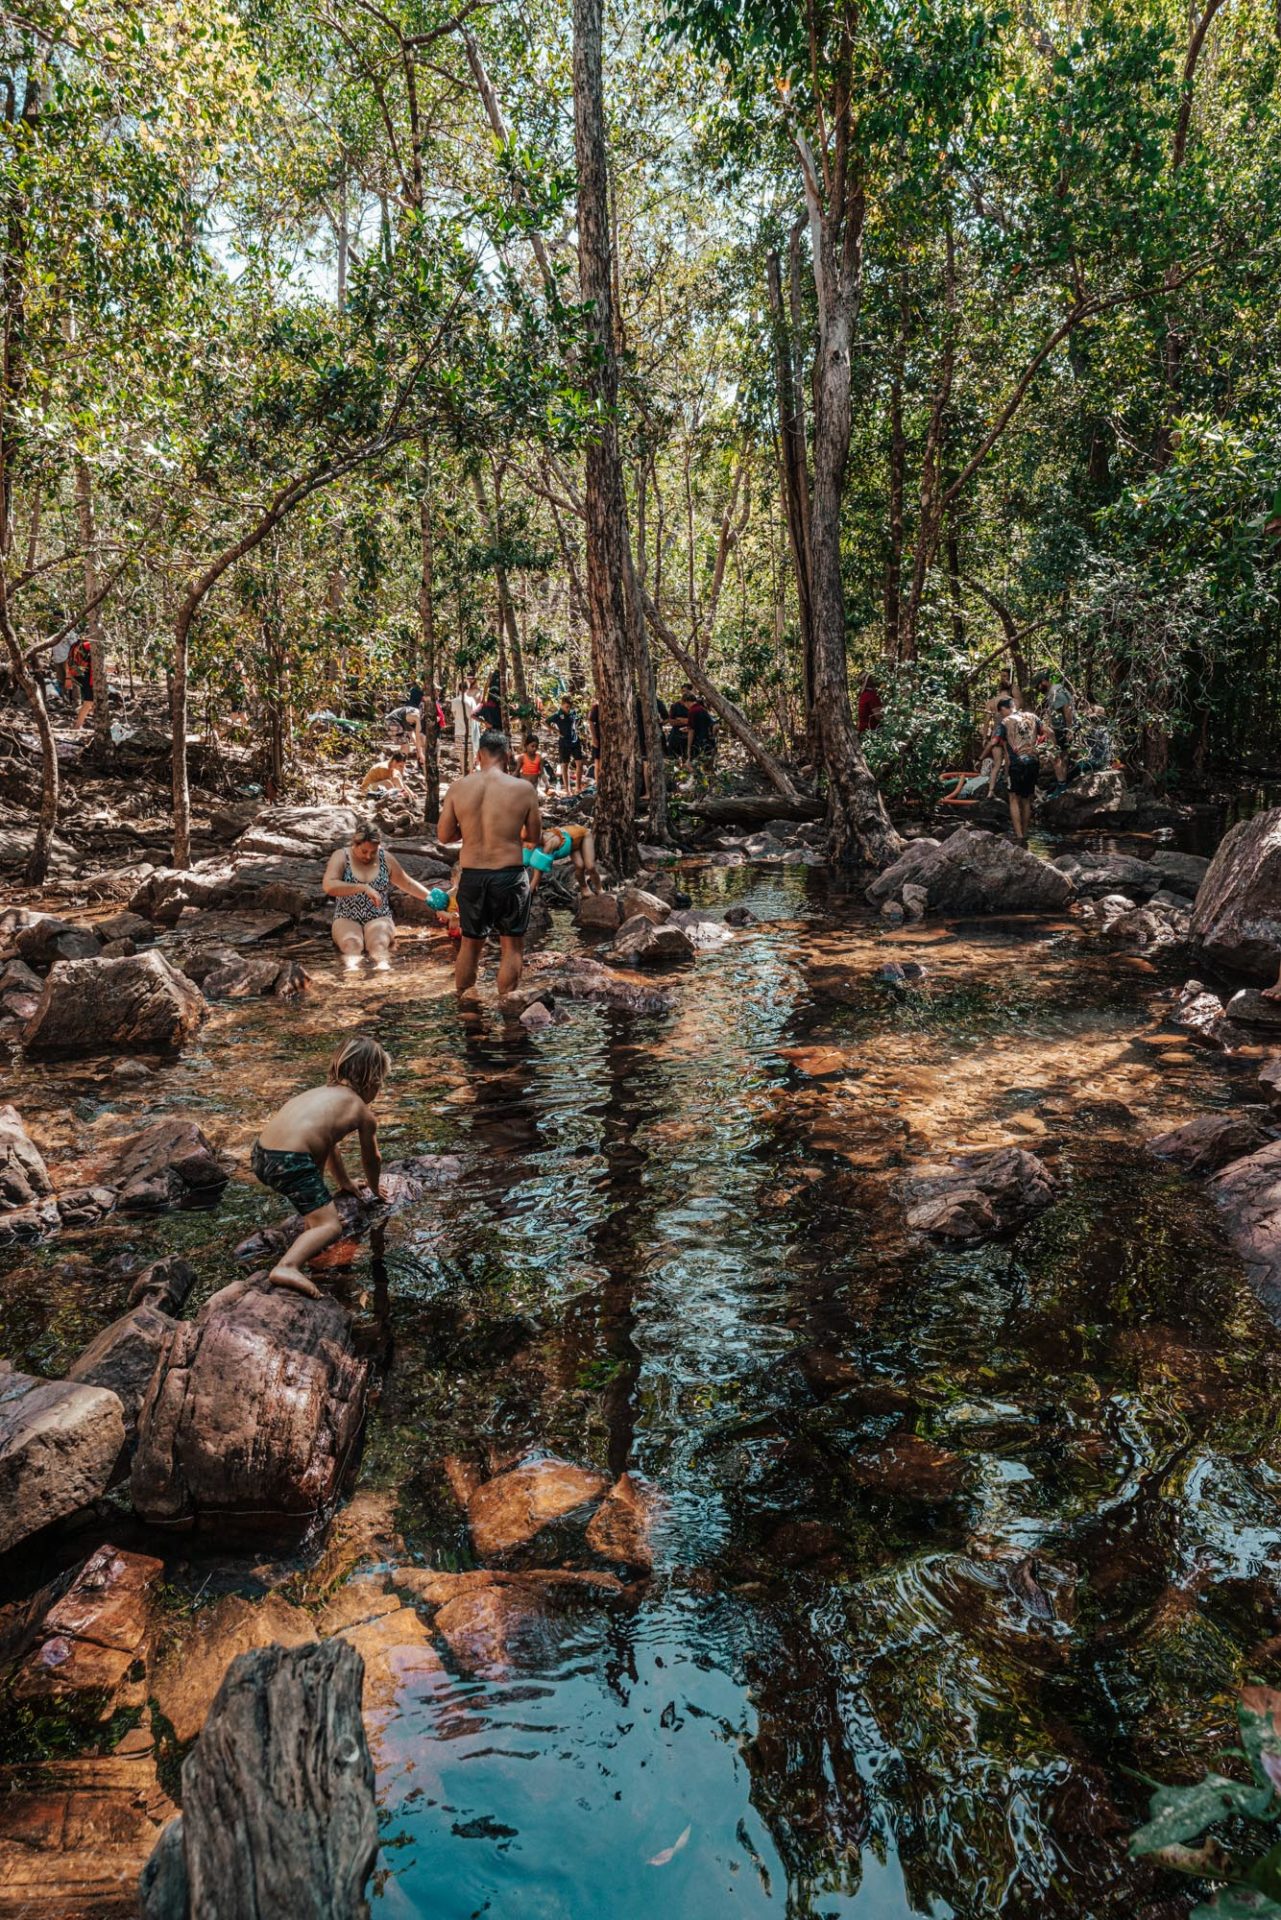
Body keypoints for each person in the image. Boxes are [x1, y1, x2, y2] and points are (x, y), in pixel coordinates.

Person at [250, 1035, 387, 1296]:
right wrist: (375, 1189)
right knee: (331, 1226)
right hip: (291, 1161)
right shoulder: (361, 1111)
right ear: (373, 1080)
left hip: (261, 1155)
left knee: (317, 1212)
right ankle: (287, 1266)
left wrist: (344, 1183)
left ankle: (309, 1237)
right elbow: (372, 1159)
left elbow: (328, 1146)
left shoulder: (319, 1095)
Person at [437, 729, 542, 1000]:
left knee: (470, 945)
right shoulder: (523, 789)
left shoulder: (459, 787)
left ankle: (467, 1007)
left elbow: (444, 836)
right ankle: (508, 1009)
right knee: (512, 946)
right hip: (509, 875)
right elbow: (532, 838)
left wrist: (469, 832)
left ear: (479, 755)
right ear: (508, 756)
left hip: (472, 876)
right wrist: (509, 831)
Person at [322, 819, 437, 968]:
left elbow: (408, 884)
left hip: (379, 916)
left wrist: (436, 902)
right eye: (364, 851)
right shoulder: (341, 856)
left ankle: (384, 975)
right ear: (354, 843)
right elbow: (329, 885)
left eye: (373, 852)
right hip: (346, 916)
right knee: (351, 945)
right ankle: (351, 977)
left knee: (378, 945)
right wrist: (363, 887)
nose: (368, 856)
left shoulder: (386, 858)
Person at [992, 696, 1045, 841]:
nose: (1001, 714)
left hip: (1017, 763)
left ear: (1005, 708)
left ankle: (1019, 836)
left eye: (1001, 711)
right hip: (1033, 761)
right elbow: (1046, 732)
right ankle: (1026, 832)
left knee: (1013, 798)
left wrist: (985, 754)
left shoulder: (1006, 721)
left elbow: (994, 741)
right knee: (1027, 799)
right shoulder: (1032, 717)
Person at [1038, 674, 1076, 786]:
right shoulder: (1055, 690)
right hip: (1060, 728)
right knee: (1062, 756)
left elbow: (1067, 709)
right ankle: (1062, 782)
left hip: (1062, 728)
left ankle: (1061, 784)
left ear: (1044, 681)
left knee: (1054, 756)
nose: (1038, 689)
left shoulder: (1056, 692)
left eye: (1038, 686)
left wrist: (1070, 729)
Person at [552, 693, 585, 796]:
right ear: (562, 705)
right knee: (564, 765)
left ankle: (578, 788)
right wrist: (556, 731)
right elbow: (546, 722)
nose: (568, 709)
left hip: (575, 741)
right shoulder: (557, 715)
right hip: (564, 743)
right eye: (566, 707)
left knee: (579, 764)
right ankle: (567, 790)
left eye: (569, 707)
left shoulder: (573, 712)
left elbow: (576, 721)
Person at [69, 633, 93, 729]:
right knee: (88, 702)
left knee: (90, 702)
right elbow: (93, 665)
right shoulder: (88, 645)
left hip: (78, 675)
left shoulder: (76, 645)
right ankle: (78, 726)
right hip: (86, 677)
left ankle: (79, 722)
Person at [687, 691, 716, 760]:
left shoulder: (692, 711)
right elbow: (714, 725)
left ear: (687, 702)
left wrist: (688, 747)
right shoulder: (702, 709)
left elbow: (691, 730)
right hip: (708, 741)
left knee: (698, 762)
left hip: (698, 742)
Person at [666, 687, 692, 759]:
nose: (685, 693)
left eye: (688, 691)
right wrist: (683, 722)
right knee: (672, 756)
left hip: (691, 735)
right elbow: (671, 721)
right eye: (683, 691)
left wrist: (685, 720)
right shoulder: (675, 706)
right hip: (676, 735)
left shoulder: (696, 704)